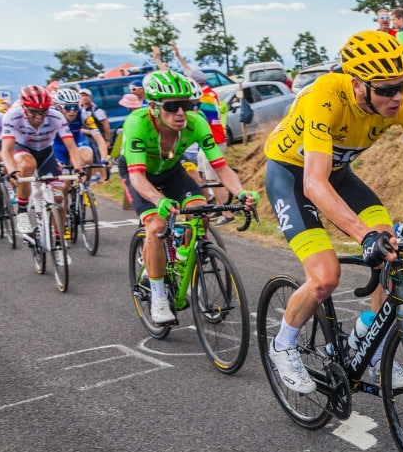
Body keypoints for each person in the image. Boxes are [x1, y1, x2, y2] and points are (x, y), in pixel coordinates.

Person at [263, 30, 403, 393]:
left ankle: (369, 343)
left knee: (391, 253)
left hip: (338, 175)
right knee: (325, 277)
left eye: (402, 85)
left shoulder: (401, 104)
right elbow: (314, 184)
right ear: (357, 85)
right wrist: (363, 235)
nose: (397, 97)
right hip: (291, 177)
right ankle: (283, 344)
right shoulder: (323, 98)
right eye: (385, 90)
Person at [118, 70, 259, 325]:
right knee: (157, 226)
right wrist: (158, 200)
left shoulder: (196, 122)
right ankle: (159, 296)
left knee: (201, 211)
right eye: (172, 106)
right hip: (139, 174)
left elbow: (221, 166)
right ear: (153, 106)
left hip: (171, 170)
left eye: (186, 104)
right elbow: (137, 177)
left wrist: (240, 192)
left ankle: (183, 258)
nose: (181, 112)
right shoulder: (137, 123)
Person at [1, 86, 84, 265]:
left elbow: (71, 147)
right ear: (24, 108)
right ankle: (22, 210)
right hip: (22, 149)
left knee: (59, 198)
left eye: (43, 112)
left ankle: (59, 243)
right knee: (27, 164)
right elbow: (6, 150)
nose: (39, 117)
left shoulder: (55, 116)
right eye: (34, 112)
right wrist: (13, 171)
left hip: (46, 152)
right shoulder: (12, 115)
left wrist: (79, 169)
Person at [152, 43, 233, 226]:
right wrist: (177, 55)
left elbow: (203, 121)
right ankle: (216, 208)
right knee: (206, 176)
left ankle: (225, 212)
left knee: (213, 177)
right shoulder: (206, 91)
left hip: (211, 140)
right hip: (211, 139)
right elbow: (186, 72)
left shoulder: (203, 96)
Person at [52, 88, 109, 182]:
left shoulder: (84, 113)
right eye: (68, 108)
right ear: (59, 107)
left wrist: (104, 159)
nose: (72, 111)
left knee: (87, 158)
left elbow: (99, 139)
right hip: (58, 146)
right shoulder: (52, 115)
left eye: (75, 107)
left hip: (78, 142)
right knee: (64, 185)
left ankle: (86, 186)